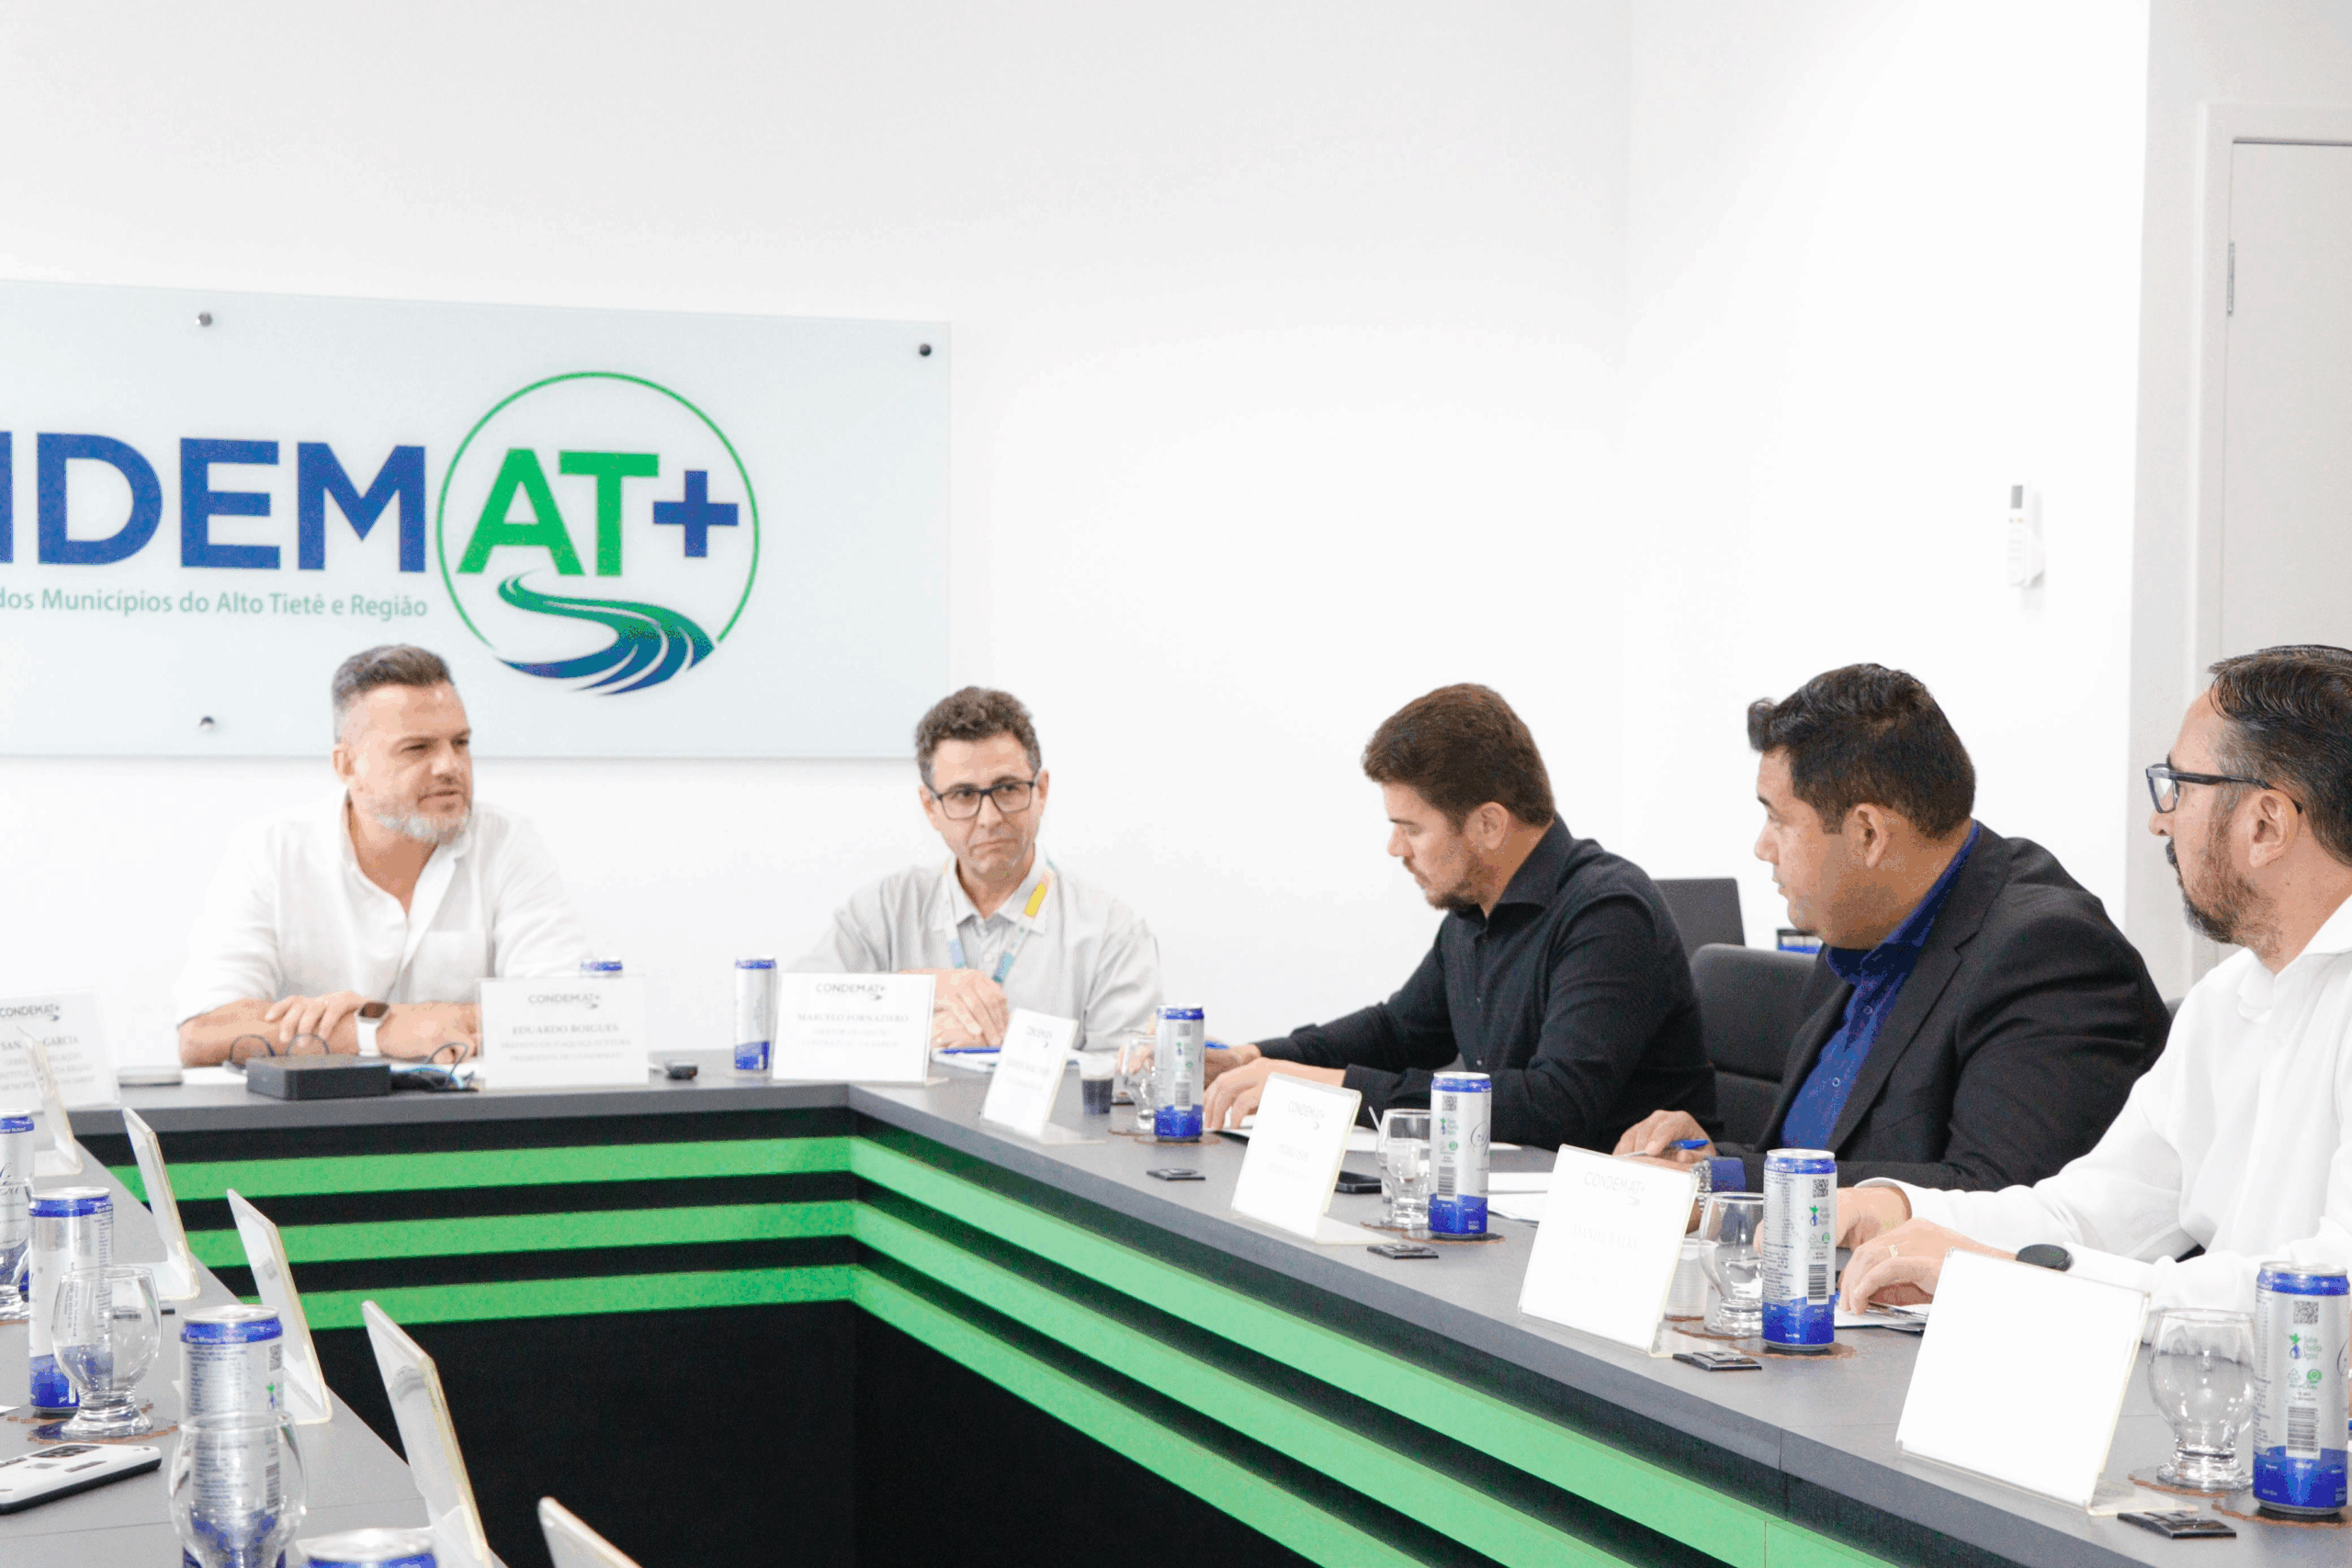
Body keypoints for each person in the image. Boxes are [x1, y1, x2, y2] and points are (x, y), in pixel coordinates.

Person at [1840, 645, 2352, 1317]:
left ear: (2265, 824)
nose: (2159, 819)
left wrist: (2024, 1279)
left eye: (2178, 786)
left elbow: (2332, 1291)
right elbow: (2088, 1216)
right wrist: (1895, 1209)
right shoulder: (2224, 1000)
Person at [1615, 664, 2167, 1190]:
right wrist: (1707, 1160)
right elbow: (1821, 1154)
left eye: (1778, 820)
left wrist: (1727, 1179)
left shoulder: (2050, 955)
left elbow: (1995, 1195)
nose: (1762, 847)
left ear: (1868, 835)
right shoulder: (1855, 925)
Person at [1202, 683, 1713, 1149]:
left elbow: (1555, 1105)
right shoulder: (1472, 914)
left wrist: (1331, 1089)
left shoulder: (1608, 914)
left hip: (1617, 1207)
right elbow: (1398, 1034)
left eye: (1412, 829)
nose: (1395, 848)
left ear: (1489, 824)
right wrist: (1251, 1058)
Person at [174, 645, 592, 1066]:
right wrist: (378, 1030)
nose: (450, 766)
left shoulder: (506, 841)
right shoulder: (270, 850)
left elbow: (572, 1012)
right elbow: (203, 1032)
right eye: (417, 748)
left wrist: (391, 1020)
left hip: (463, 1106)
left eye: (460, 743)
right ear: (347, 766)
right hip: (318, 1108)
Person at [793, 686, 1159, 1050]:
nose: (989, 818)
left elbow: (1128, 1072)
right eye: (964, 795)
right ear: (930, 807)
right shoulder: (885, 909)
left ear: (1041, 791)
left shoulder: (1111, 933)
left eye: (1007, 789)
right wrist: (917, 992)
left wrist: (1010, 1047)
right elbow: (794, 1013)